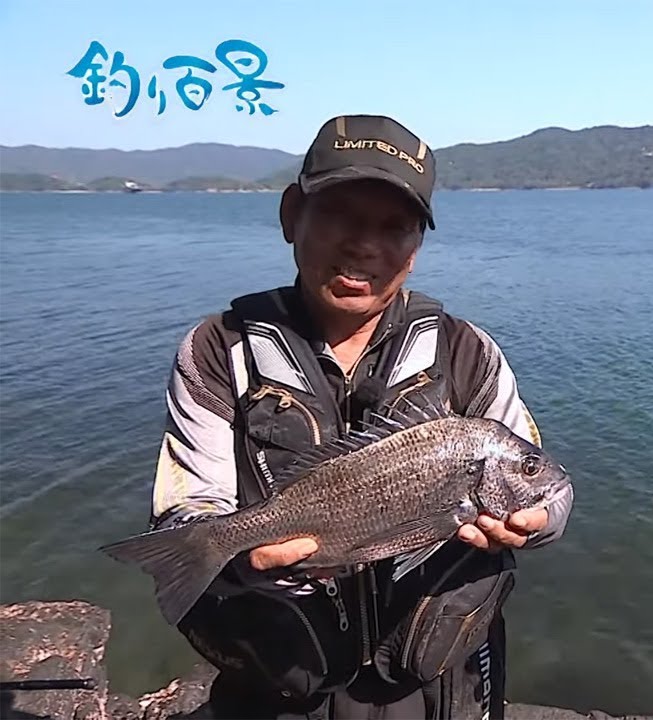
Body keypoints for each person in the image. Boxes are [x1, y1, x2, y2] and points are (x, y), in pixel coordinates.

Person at [146, 114, 573, 719]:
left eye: (394, 227)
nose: (366, 245)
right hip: (282, 678)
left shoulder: (467, 352)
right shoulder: (219, 349)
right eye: (342, 216)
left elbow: (548, 488)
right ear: (292, 215)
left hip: (439, 684)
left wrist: (534, 521)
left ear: (417, 247)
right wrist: (237, 553)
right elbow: (185, 509)